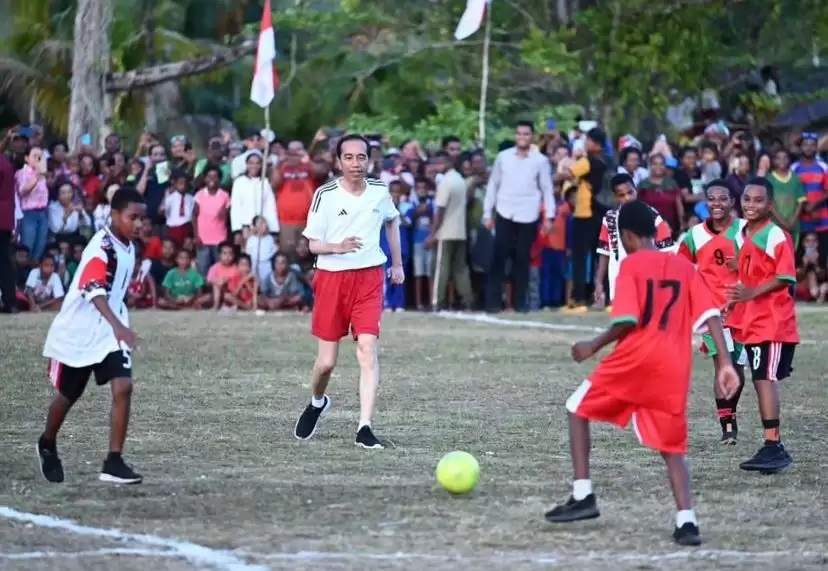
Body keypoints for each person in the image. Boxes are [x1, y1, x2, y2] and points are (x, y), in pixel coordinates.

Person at [545, 200, 740, 546]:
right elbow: (711, 314)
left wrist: (593, 345)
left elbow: (626, 321)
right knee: (672, 447)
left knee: (576, 408)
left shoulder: (632, 265)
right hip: (673, 367)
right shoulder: (683, 266)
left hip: (635, 361)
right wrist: (725, 363)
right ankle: (687, 521)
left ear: (627, 236)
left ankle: (583, 495)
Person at [293, 134, 403, 449]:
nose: (356, 163)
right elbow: (312, 245)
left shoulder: (379, 190)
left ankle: (364, 427)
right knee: (326, 362)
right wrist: (337, 247)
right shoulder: (325, 194)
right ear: (338, 162)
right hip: (332, 279)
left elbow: (392, 222)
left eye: (362, 157)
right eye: (349, 157)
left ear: (370, 160)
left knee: (367, 349)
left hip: (370, 277)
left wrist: (397, 264)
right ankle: (317, 402)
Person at [37, 187, 146, 485]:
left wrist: (118, 323)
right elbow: (94, 290)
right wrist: (118, 326)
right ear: (114, 215)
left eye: (142, 219)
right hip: (83, 331)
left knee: (123, 386)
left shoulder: (128, 245)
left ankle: (113, 462)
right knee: (69, 394)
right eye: (133, 217)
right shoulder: (101, 248)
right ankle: (47, 442)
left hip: (109, 329)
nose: (138, 224)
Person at [725, 177, 798, 474]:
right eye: (747, 199)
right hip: (752, 320)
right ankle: (772, 445)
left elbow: (786, 276)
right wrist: (732, 299)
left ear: (770, 205)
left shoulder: (775, 234)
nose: (751, 205)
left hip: (773, 321)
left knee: (764, 378)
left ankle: (773, 445)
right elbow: (748, 273)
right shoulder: (742, 233)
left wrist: (752, 292)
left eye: (758, 200)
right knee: (759, 378)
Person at [676, 181, 747, 443]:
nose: (717, 203)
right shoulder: (694, 235)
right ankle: (727, 426)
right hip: (712, 313)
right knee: (722, 365)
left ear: (732, 202)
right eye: (711, 199)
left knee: (738, 371)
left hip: (744, 311)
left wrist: (743, 264)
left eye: (722, 198)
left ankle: (731, 413)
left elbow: (764, 263)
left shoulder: (745, 230)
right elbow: (681, 268)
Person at [594, 173, 674, 310]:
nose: (627, 198)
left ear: (636, 190)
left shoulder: (652, 215)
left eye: (630, 192)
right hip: (618, 279)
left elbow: (667, 250)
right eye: (621, 195)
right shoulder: (610, 218)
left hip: (648, 280)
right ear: (615, 197)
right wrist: (599, 282)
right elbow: (604, 251)